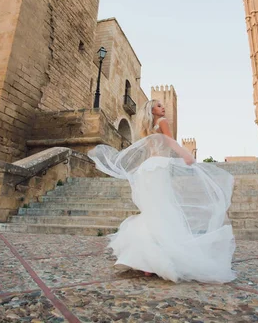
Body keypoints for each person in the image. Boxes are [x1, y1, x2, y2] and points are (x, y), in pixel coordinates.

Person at [88, 99, 236, 283]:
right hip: (159, 168)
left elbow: (150, 152)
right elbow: (171, 142)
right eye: (158, 105)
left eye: (162, 105)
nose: (163, 107)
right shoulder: (163, 122)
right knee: (162, 208)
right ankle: (153, 260)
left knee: (154, 210)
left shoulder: (147, 128)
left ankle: (146, 260)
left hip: (147, 168)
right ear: (152, 110)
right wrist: (186, 154)